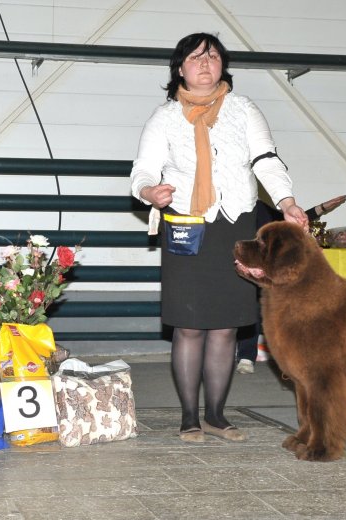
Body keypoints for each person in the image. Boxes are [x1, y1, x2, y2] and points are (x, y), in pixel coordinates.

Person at [130, 32, 308, 443]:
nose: (205, 62)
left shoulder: (244, 110)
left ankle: (216, 414)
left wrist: (287, 200)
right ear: (180, 68)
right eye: (195, 57)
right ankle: (189, 417)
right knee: (189, 326)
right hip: (185, 224)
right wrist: (148, 192)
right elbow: (142, 169)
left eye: (212, 55)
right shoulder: (164, 116)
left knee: (227, 327)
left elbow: (266, 159)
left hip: (235, 224)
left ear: (222, 65)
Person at [235, 195, 346, 374]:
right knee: (245, 308)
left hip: (260, 266)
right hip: (236, 262)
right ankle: (243, 355)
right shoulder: (230, 205)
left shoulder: (262, 207)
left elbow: (290, 224)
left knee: (265, 307)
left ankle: (256, 357)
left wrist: (322, 208)